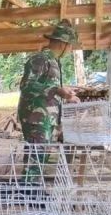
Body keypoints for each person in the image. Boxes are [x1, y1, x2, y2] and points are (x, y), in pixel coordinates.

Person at [17, 20, 81, 183]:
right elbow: (27, 85)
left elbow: (47, 86)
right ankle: (28, 194)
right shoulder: (41, 58)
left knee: (41, 155)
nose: (71, 49)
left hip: (46, 118)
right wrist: (57, 90)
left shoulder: (54, 61)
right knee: (35, 157)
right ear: (63, 44)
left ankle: (33, 191)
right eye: (71, 45)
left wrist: (66, 95)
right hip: (36, 117)